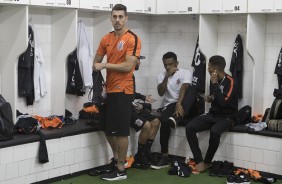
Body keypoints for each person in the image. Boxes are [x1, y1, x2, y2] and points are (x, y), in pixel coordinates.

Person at [91, 4, 141, 181]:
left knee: (121, 132)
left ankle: (121, 169)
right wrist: (98, 66)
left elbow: (129, 65)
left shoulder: (132, 38)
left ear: (126, 18)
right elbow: (95, 61)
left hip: (123, 89)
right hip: (109, 90)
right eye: (115, 17)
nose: (117, 20)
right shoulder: (106, 38)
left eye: (121, 17)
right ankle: (117, 160)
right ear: (111, 18)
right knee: (106, 128)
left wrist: (105, 64)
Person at [186, 55, 238, 172]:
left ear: (215, 69)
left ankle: (207, 162)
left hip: (228, 117)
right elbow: (217, 98)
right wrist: (210, 98)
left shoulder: (231, 81)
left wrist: (214, 84)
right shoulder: (212, 79)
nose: (207, 69)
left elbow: (223, 103)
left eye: (209, 67)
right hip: (213, 114)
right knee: (190, 127)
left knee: (214, 131)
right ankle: (199, 160)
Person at [151, 51, 193, 169]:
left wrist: (179, 103)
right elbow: (161, 92)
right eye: (165, 65)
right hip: (169, 105)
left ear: (176, 63)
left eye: (170, 64)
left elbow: (185, 88)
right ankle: (164, 156)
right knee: (164, 121)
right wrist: (167, 77)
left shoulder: (185, 72)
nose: (168, 67)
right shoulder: (161, 75)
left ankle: (176, 118)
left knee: (192, 90)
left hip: (184, 102)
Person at [130, 58, 160, 169]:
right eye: (138, 60)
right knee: (147, 125)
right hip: (125, 110)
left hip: (133, 107)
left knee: (156, 121)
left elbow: (131, 94)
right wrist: (134, 105)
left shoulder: (131, 75)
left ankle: (146, 152)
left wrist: (143, 98)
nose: (139, 62)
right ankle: (140, 156)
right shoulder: (124, 75)